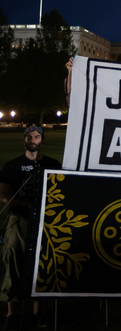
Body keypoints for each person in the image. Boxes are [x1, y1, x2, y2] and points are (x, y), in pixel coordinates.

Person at [0, 125, 61, 330]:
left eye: (36, 136)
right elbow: (3, 195)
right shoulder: (12, 165)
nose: (32, 139)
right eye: (29, 136)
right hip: (19, 222)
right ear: (24, 140)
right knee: (13, 264)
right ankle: (12, 314)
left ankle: (38, 313)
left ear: (42, 140)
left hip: (45, 223)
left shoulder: (53, 164)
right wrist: (27, 203)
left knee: (40, 266)